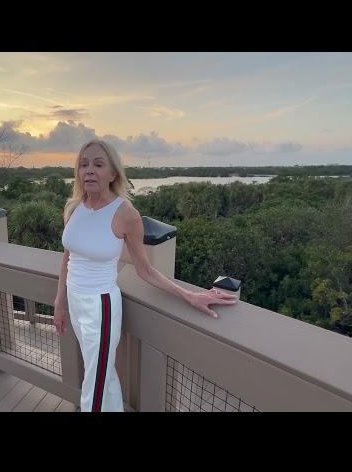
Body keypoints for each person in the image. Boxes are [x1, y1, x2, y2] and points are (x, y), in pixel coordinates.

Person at [54, 140, 237, 412]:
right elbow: (68, 257)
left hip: (100, 307)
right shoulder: (74, 208)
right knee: (103, 374)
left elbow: (145, 269)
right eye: (84, 164)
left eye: (98, 164)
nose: (89, 170)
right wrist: (59, 303)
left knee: (94, 379)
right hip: (75, 300)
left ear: (113, 174)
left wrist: (189, 295)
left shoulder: (125, 214)